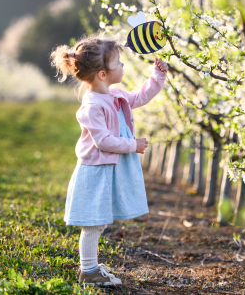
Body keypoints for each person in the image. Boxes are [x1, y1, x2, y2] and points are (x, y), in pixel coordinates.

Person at [50, 36, 168, 287]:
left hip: (108, 170)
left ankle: (91, 266)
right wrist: (132, 145)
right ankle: (89, 271)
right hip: (95, 171)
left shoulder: (115, 94)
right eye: (118, 63)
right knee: (94, 222)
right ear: (102, 74)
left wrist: (157, 77)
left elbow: (139, 97)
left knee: (101, 220)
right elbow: (103, 141)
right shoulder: (92, 105)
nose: (123, 66)